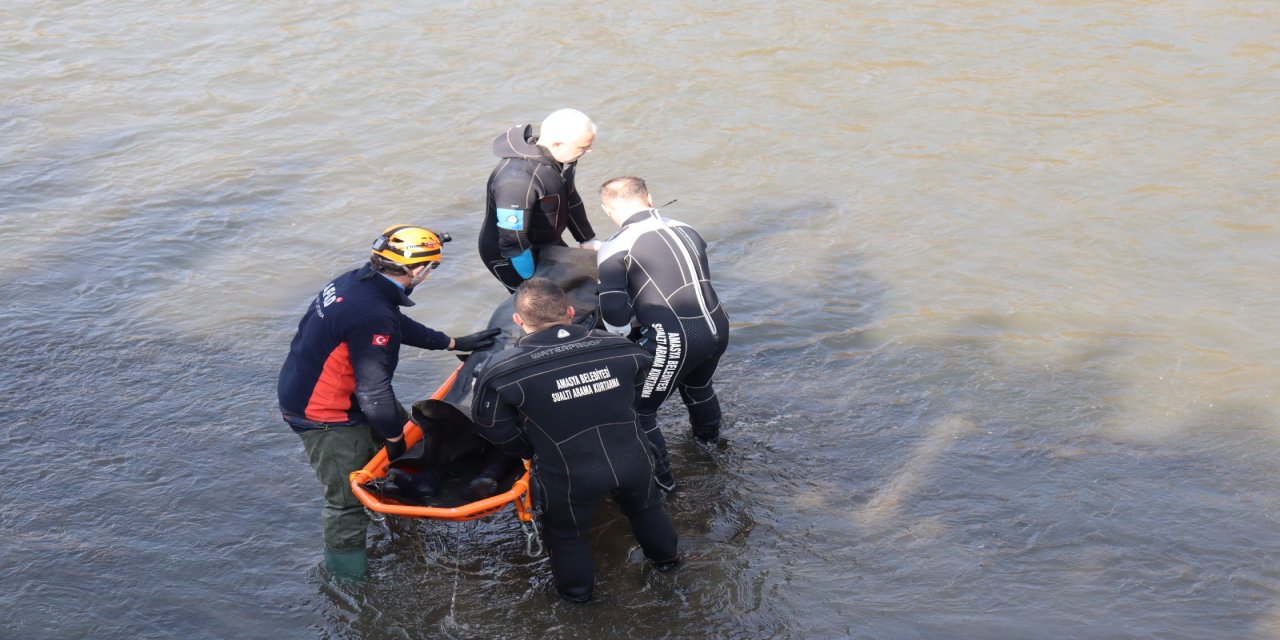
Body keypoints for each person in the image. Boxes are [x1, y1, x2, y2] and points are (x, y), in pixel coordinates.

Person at [278, 225, 500, 579]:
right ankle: (347, 579)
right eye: (433, 267)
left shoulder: (357, 282)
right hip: (326, 414)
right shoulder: (372, 313)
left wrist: (452, 343)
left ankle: (400, 514)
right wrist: (393, 439)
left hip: (325, 387)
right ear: (418, 269)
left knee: (411, 443)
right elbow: (374, 390)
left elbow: (393, 323)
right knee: (346, 500)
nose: (430, 273)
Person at [471, 278, 679, 602]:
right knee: (647, 510)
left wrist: (531, 449)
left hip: (568, 470)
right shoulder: (621, 347)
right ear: (569, 312)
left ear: (518, 320)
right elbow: (639, 397)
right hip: (632, 456)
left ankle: (579, 602)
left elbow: (492, 427)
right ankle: (671, 568)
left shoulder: (502, 371)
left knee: (567, 537)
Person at [596, 177, 730, 492]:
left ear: (607, 209)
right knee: (698, 386)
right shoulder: (686, 228)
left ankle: (663, 485)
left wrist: (623, 342)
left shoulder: (615, 246)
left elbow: (615, 316)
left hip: (675, 338)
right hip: (717, 325)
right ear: (649, 198)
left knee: (639, 411)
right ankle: (711, 448)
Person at [479, 108, 602, 292]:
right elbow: (512, 239)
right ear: (558, 144)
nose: (589, 151)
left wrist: (586, 239)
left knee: (582, 284)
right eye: (583, 147)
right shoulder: (516, 180)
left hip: (546, 243)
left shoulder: (561, 157)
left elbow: (569, 196)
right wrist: (533, 280)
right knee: (545, 301)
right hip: (512, 254)